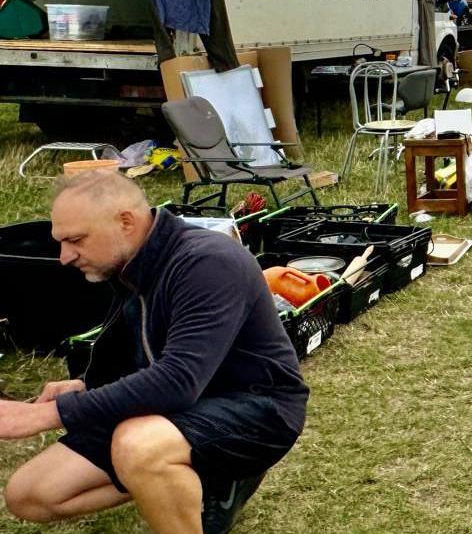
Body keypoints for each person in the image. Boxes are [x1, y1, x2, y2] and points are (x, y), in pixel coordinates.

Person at [2, 172, 306, 533]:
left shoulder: (206, 262)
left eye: (75, 240)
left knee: (138, 446)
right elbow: (147, 354)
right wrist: (86, 386)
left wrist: (47, 415)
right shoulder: (129, 265)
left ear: (126, 222)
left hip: (257, 409)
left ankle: (207, 471)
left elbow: (177, 381)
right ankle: (194, 476)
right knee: (29, 494)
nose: (65, 256)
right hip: (176, 406)